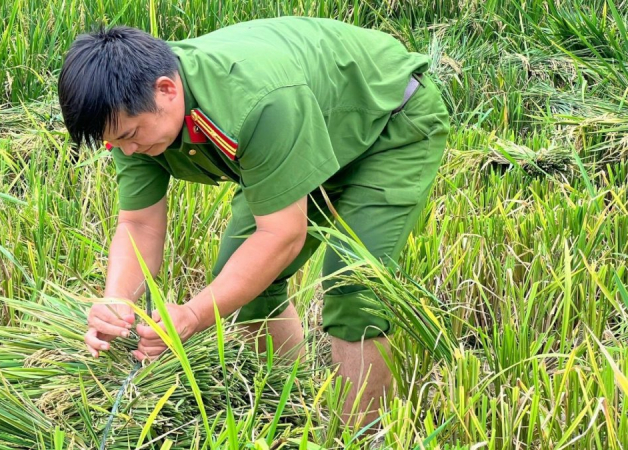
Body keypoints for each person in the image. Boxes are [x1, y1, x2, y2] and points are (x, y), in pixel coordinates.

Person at [57, 16, 449, 429]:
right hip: (301, 130)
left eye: (131, 136)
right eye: (116, 143)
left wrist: (191, 315)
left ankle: (360, 435)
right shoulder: (127, 121)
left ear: (167, 90)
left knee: (353, 286)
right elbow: (139, 224)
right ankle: (298, 418)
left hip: (387, 123)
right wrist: (118, 303)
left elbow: (282, 236)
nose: (128, 151)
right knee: (242, 286)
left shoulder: (254, 101)